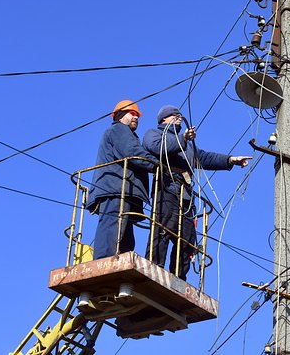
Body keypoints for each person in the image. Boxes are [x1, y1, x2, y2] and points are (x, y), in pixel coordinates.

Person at [143, 105, 251, 280]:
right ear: (164, 119)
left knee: (187, 239)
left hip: (185, 196)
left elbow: (205, 158)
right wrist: (183, 139)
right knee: (162, 230)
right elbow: (156, 147)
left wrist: (230, 160)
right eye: (174, 115)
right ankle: (154, 269)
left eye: (179, 115)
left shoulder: (187, 145)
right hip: (166, 189)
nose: (179, 118)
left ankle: (178, 277)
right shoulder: (154, 134)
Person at [87, 100, 158, 259]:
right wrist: (157, 166)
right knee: (112, 230)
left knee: (123, 237)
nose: (136, 117)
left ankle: (117, 260)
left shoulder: (122, 133)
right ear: (119, 116)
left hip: (121, 189)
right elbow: (133, 152)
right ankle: (103, 262)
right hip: (116, 188)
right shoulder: (119, 130)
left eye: (137, 115)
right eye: (131, 113)